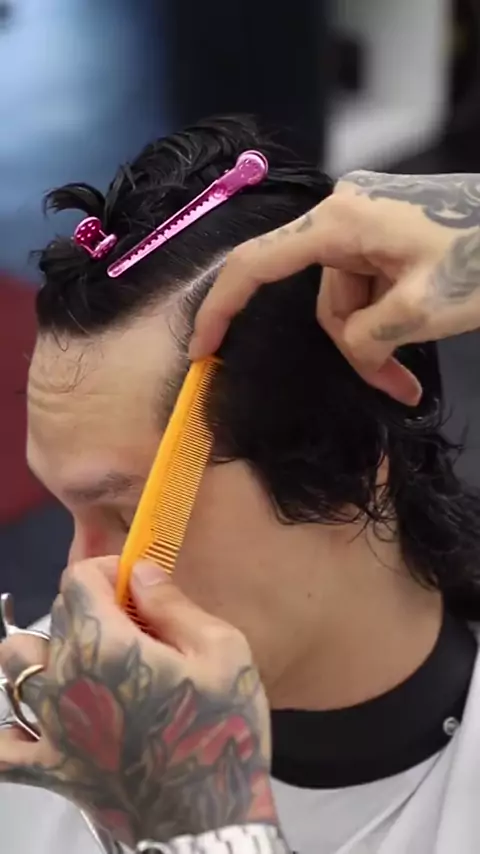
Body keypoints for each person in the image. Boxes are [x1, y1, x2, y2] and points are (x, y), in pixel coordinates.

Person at [1, 116, 480, 853]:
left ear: (349, 462)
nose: (76, 586)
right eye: (68, 512)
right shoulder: (31, 726)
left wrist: (198, 833)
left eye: (131, 517)